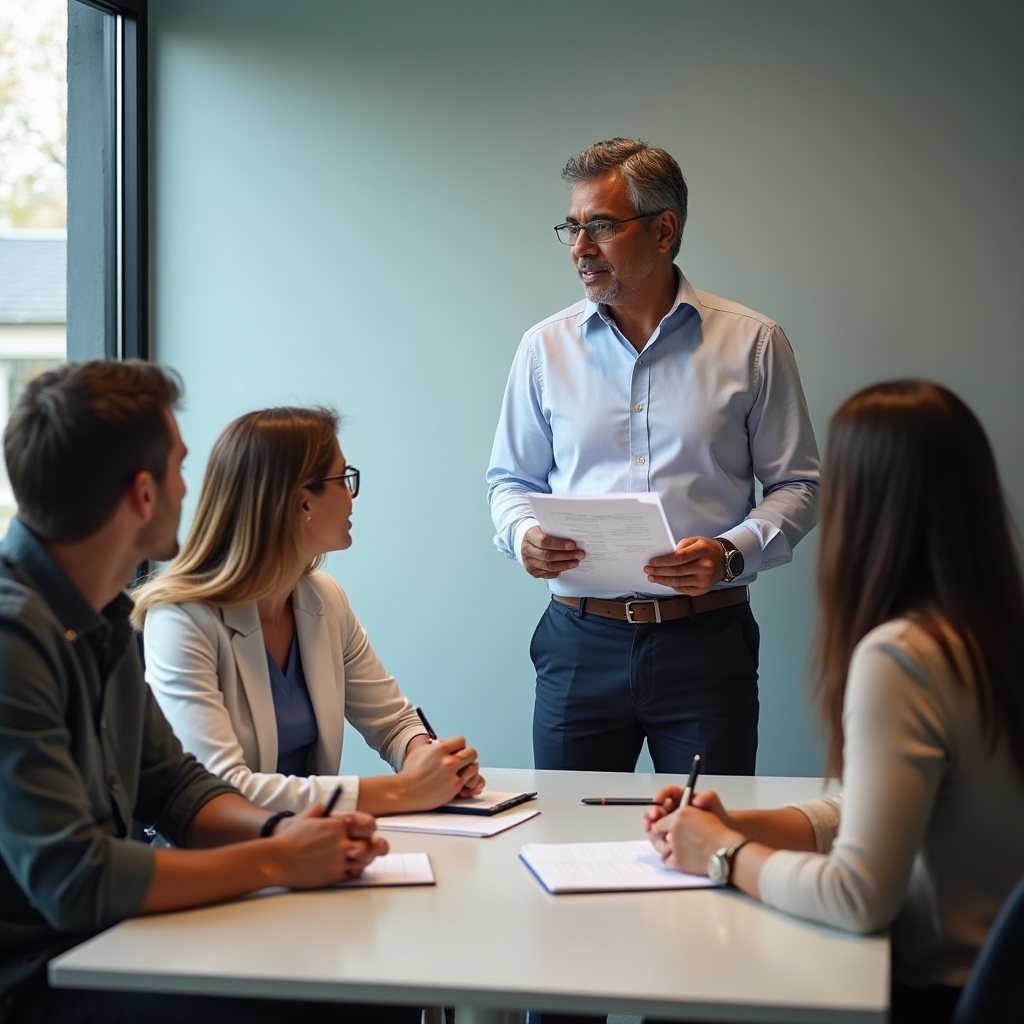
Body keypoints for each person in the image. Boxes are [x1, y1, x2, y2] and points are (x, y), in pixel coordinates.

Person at [0, 361, 419, 1023]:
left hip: (106, 938)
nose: (188, 488)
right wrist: (277, 859)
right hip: (36, 975)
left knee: (377, 987)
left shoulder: (100, 615)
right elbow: (77, 882)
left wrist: (290, 831)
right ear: (143, 494)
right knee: (333, 998)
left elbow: (175, 788)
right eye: (178, 467)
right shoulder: (14, 642)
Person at [646, 381, 1024, 1024]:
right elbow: (875, 805)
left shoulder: (901, 656)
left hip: (933, 996)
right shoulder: (989, 631)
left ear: (870, 505)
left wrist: (721, 854)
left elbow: (856, 897)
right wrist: (737, 824)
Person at [487, 138, 820, 779]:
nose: (581, 248)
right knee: (563, 839)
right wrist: (522, 534)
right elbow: (510, 479)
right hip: (579, 642)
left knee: (703, 842)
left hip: (706, 643)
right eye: (573, 228)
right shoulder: (542, 349)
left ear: (664, 229)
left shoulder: (753, 342)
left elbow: (798, 484)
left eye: (602, 227)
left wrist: (731, 553)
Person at [133, 406, 484, 819]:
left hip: (313, 848)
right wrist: (403, 790)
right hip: (223, 861)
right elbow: (220, 789)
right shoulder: (181, 619)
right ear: (303, 504)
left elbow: (392, 722)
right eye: (343, 479)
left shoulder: (325, 600)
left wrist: (429, 760)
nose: (352, 495)